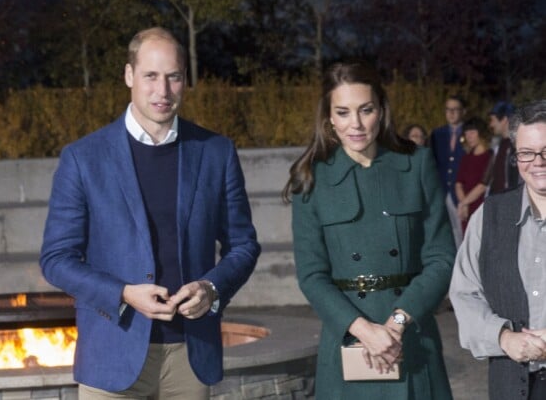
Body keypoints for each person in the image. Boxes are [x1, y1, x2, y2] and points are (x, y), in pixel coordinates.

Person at [40, 27, 260, 400]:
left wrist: (211, 288)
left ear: (184, 80)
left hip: (191, 358)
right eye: (151, 76)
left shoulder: (215, 152)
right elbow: (56, 259)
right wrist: (123, 293)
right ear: (129, 76)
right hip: (112, 355)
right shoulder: (83, 158)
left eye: (173, 77)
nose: (163, 91)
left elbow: (243, 245)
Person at [283, 61, 455, 399]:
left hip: (411, 337)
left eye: (366, 110)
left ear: (381, 110)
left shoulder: (416, 164)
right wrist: (364, 330)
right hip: (347, 337)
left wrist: (395, 325)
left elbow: (441, 257)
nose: (356, 124)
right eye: (344, 112)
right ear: (329, 118)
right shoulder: (310, 179)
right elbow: (312, 275)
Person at [450, 100, 546, 400]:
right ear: (515, 157)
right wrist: (502, 337)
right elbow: (464, 292)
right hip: (511, 384)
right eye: (527, 153)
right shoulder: (489, 216)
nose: (538, 162)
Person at [430, 95, 467, 248]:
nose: (451, 113)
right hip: (442, 190)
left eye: (455, 109)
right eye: (448, 109)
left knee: (463, 232)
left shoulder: (470, 132)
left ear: (463, 111)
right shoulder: (437, 134)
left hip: (462, 192)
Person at [455, 116, 493, 233]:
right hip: (466, 209)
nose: (468, 136)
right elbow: (458, 184)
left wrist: (464, 203)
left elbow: (483, 185)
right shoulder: (466, 158)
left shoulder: (490, 156)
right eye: (466, 133)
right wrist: (463, 204)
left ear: (481, 133)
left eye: (472, 132)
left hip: (482, 207)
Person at [486, 100, 519, 194]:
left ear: (504, 120)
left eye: (493, 120)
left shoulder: (517, 145)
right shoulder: (500, 145)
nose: (491, 124)